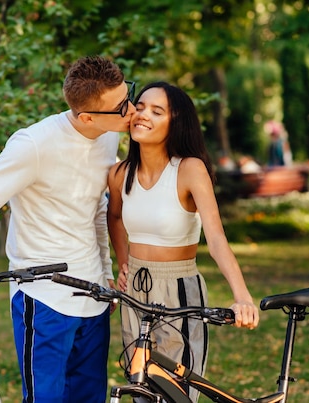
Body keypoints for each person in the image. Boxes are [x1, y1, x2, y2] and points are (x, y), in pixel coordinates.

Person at [0, 55, 135, 403]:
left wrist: (106, 272)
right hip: (44, 298)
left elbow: (95, 208)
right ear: (87, 116)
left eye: (128, 95)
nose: (132, 109)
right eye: (121, 106)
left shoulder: (108, 136)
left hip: (94, 296)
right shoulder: (33, 145)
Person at [107, 82, 259, 400]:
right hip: (135, 289)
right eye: (141, 106)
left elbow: (216, 238)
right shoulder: (120, 173)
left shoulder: (190, 170)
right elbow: (115, 217)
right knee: (141, 388)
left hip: (179, 289)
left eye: (157, 111)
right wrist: (123, 263)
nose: (142, 115)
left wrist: (242, 295)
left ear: (175, 123)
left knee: (178, 392)